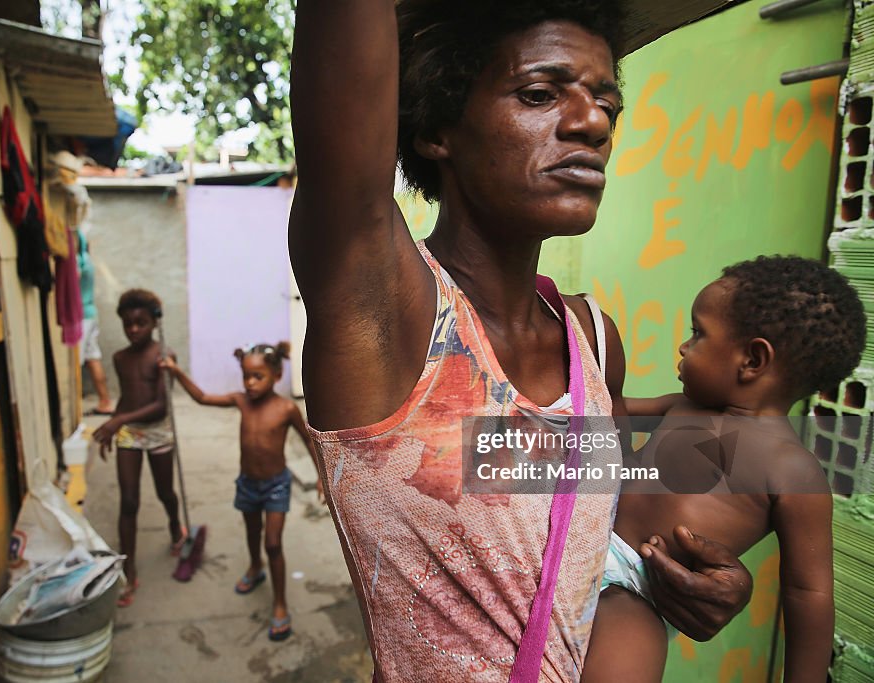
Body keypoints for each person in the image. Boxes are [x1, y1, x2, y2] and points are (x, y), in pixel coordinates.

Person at [289, 1, 755, 680]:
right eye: (540, 94)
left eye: (606, 103)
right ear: (438, 131)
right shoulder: (387, 313)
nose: (591, 122)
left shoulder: (595, 341)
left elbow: (579, 542)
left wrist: (686, 578)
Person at [582, 256, 865, 682]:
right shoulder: (681, 407)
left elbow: (808, 592)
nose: (683, 347)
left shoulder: (793, 472)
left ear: (752, 361)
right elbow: (600, 413)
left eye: (697, 334)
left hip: (636, 592)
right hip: (574, 543)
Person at [160, 342, 324, 642]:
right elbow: (202, 397)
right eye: (246, 376)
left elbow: (308, 440)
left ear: (276, 375)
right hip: (248, 483)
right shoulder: (240, 401)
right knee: (252, 533)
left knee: (272, 543)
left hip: (276, 485)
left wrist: (321, 477)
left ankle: (279, 603)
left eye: (257, 376)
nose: (249, 383)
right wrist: (175, 371)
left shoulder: (286, 408)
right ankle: (254, 567)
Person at [92, 289, 185, 607]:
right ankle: (128, 568)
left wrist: (117, 421)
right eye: (128, 324)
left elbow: (160, 407)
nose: (134, 330)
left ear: (153, 323)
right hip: (130, 433)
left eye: (141, 323)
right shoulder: (120, 358)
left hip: (158, 432)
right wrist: (114, 425)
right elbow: (127, 398)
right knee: (128, 500)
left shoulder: (163, 356)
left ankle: (175, 525)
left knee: (165, 493)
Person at [77, 228, 114, 415]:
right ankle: (105, 401)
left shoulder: (78, 262)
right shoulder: (88, 261)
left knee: (75, 362)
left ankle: (73, 408)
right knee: (93, 357)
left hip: (81, 317)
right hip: (91, 314)